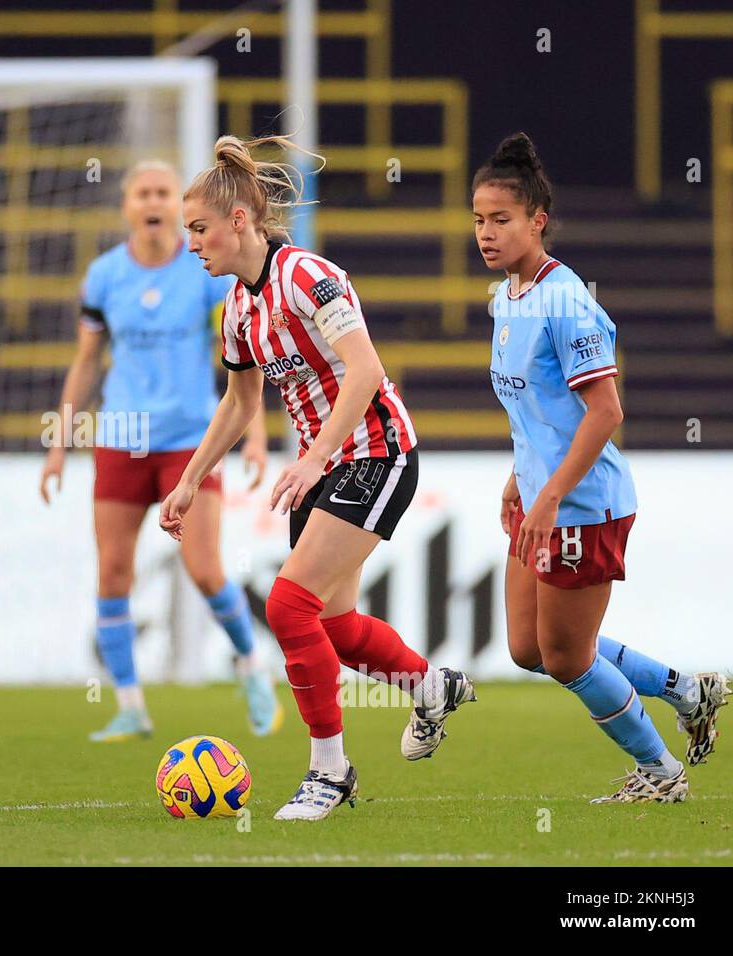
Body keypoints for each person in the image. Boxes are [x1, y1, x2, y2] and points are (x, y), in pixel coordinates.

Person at [161, 134, 476, 821]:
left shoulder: (309, 276)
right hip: (324, 470)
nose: (191, 243)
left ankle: (329, 772)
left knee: (286, 606)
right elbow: (240, 404)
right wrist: (189, 480)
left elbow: (363, 372)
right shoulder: (238, 312)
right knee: (332, 626)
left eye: (199, 228)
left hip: (376, 452)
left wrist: (310, 457)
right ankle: (429, 687)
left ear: (239, 220)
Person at [475, 132, 730, 803]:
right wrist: (518, 475)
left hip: (581, 506)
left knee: (566, 658)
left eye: (502, 219)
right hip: (539, 498)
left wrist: (552, 493)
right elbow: (536, 409)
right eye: (478, 219)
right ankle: (689, 691)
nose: (487, 233)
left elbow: (605, 411)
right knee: (528, 650)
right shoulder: (506, 298)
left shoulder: (566, 302)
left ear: (537, 220)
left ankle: (661, 773)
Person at [41, 160, 281, 741]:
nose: (152, 201)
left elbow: (243, 358)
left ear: (176, 205)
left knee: (204, 569)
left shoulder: (204, 274)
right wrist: (58, 442)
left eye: (163, 192)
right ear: (127, 206)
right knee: (114, 571)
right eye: (142, 192)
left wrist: (252, 436)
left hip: (189, 437)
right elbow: (85, 362)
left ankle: (252, 666)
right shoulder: (102, 277)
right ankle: (129, 706)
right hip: (121, 435)